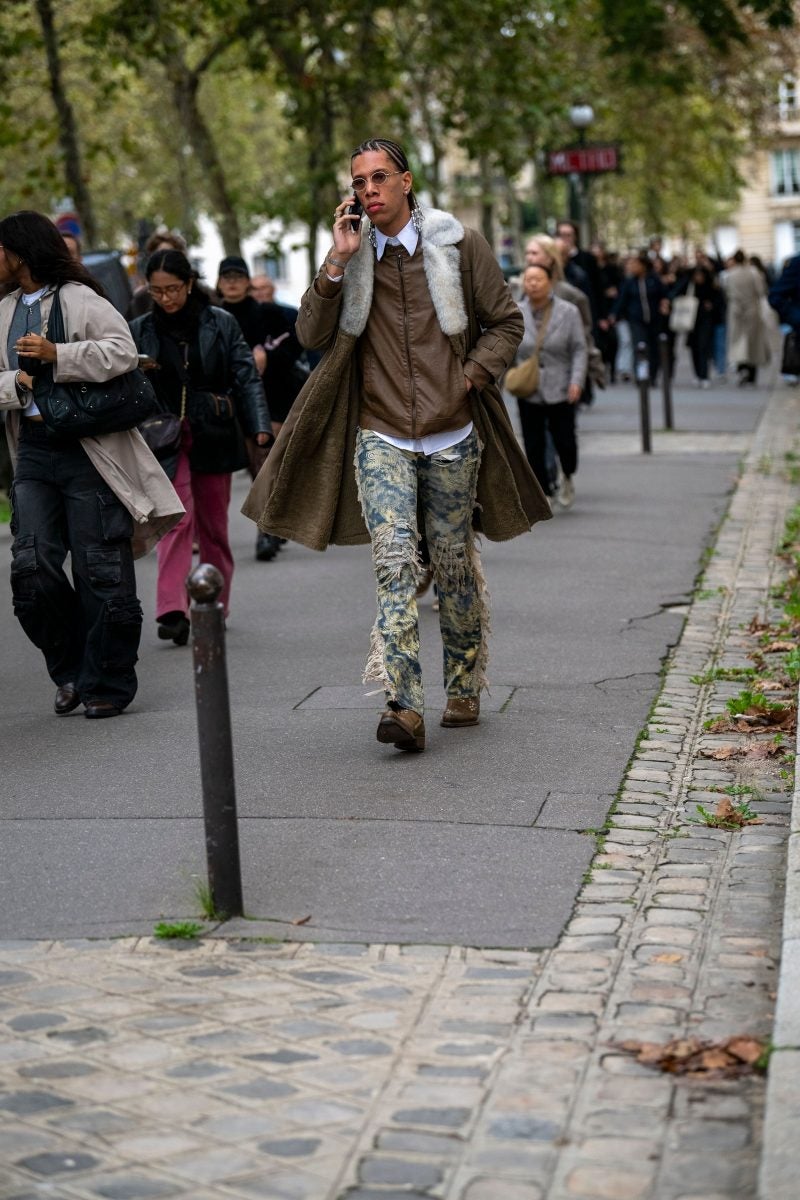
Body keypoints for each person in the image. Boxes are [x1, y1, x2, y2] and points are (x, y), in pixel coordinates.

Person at [243, 136, 550, 753]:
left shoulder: (458, 246)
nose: (369, 191)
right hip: (379, 433)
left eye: (380, 178)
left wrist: (468, 378)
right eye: (359, 182)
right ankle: (403, 705)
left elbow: (506, 322)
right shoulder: (351, 257)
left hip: (454, 435)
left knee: (453, 560)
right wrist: (336, 262)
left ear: (407, 182)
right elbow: (308, 333)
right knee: (393, 564)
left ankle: (463, 682)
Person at [0, 210, 183, 717]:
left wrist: (58, 353)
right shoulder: (3, 310)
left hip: (90, 448)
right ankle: (72, 668)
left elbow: (123, 352)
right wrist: (16, 384)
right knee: (31, 569)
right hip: (33, 452)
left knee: (101, 569)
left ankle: (107, 681)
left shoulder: (81, 297)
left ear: (18, 252)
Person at [130, 249, 270, 644]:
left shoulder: (219, 322)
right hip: (163, 436)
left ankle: (213, 604)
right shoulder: (140, 328)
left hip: (214, 430)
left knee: (213, 526)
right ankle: (172, 608)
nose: (166, 298)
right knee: (176, 519)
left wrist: (259, 427)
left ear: (189, 284)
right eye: (157, 291)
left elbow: (245, 376)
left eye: (172, 289)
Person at [512, 263, 587, 508]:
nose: (533, 284)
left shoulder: (569, 312)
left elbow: (579, 349)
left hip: (561, 385)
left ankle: (567, 476)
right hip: (529, 386)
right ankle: (542, 490)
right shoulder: (515, 311)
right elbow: (507, 346)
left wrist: (576, 380)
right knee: (533, 442)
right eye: (528, 279)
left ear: (550, 283)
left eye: (538, 279)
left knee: (565, 440)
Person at [610, 252, 667, 384]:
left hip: (654, 319)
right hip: (636, 320)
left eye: (635, 264)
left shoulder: (654, 279)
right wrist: (614, 314)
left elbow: (664, 294)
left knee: (653, 347)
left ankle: (652, 375)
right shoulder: (629, 282)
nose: (632, 267)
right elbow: (621, 300)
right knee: (640, 347)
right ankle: (641, 375)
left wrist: (665, 304)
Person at [724, 250, 770, 385]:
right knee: (753, 343)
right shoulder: (754, 273)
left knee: (738, 342)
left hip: (736, 311)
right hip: (752, 310)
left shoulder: (730, 275)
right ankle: (751, 374)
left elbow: (728, 293)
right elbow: (761, 291)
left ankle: (741, 369)